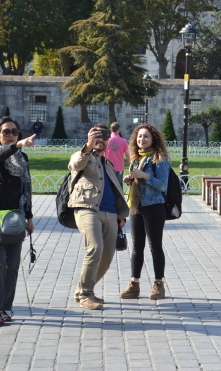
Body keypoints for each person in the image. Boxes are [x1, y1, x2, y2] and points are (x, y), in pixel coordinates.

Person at [0, 116, 36, 326]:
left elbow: (26, 189)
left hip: (15, 217)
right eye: (6, 132)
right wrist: (17, 145)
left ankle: (5, 306)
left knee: (12, 264)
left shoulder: (22, 159)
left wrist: (29, 217)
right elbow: (0, 154)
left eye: (15, 132)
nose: (11, 135)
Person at [69, 124, 128, 309]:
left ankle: (83, 290)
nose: (100, 140)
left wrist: (120, 214)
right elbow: (75, 164)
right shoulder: (83, 156)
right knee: (95, 248)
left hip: (110, 212)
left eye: (103, 136)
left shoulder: (108, 164)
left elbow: (113, 189)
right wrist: (88, 145)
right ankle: (86, 294)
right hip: (87, 208)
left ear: (108, 140)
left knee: (107, 256)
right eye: (96, 136)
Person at [120, 124, 170, 300]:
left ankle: (159, 284)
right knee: (136, 247)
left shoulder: (159, 158)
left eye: (146, 137)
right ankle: (134, 284)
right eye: (139, 137)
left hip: (154, 206)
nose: (142, 140)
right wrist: (129, 179)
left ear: (153, 139)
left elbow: (163, 185)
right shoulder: (136, 157)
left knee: (155, 246)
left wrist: (145, 176)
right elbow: (136, 179)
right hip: (136, 206)